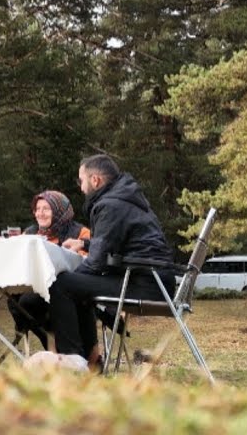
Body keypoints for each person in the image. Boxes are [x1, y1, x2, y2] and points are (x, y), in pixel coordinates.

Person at [49, 154, 175, 366]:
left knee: (61, 285)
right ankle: (90, 362)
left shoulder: (111, 205)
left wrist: (68, 277)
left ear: (95, 180)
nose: (80, 187)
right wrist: (85, 245)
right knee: (75, 287)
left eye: (81, 180)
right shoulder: (124, 197)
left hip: (145, 283)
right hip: (154, 279)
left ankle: (72, 365)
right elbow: (119, 242)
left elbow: (96, 263)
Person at [6, 190, 90, 349]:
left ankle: (60, 347)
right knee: (14, 298)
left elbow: (86, 264)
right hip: (34, 288)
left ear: (59, 211)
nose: (40, 213)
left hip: (70, 292)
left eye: (46, 208)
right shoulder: (30, 234)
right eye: (37, 209)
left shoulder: (80, 233)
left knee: (28, 301)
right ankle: (51, 344)